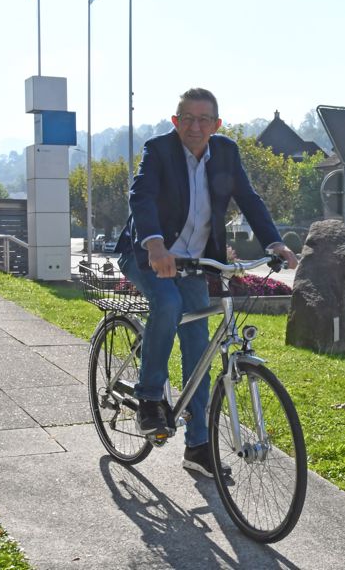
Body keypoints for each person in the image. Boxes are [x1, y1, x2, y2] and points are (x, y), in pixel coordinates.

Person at [115, 88, 298, 478]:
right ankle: (149, 398)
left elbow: (249, 199)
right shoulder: (159, 149)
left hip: (196, 263)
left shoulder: (226, 153)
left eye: (204, 120)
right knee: (167, 304)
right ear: (175, 121)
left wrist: (274, 242)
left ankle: (198, 446)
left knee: (198, 350)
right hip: (149, 253)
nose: (195, 127)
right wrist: (155, 245)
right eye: (188, 118)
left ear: (217, 125)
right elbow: (141, 196)